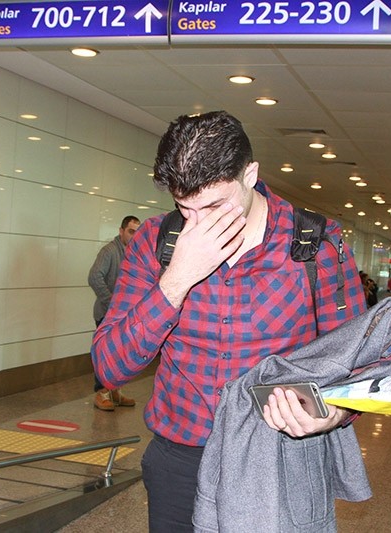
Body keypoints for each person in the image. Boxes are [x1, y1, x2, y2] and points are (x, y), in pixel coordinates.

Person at [91, 111, 366, 532]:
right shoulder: (156, 241)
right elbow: (110, 367)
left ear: (249, 175)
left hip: (278, 459)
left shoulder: (317, 246)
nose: (200, 223)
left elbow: (357, 363)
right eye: (185, 207)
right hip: (180, 462)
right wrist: (176, 280)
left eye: (215, 205)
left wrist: (336, 413)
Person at [87, 215, 141, 411]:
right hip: (106, 314)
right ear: (121, 231)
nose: (134, 236)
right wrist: (112, 303)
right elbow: (94, 277)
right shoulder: (109, 251)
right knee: (105, 355)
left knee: (119, 355)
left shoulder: (133, 253)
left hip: (123, 316)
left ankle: (115, 391)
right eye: (131, 231)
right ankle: (101, 393)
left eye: (137, 232)